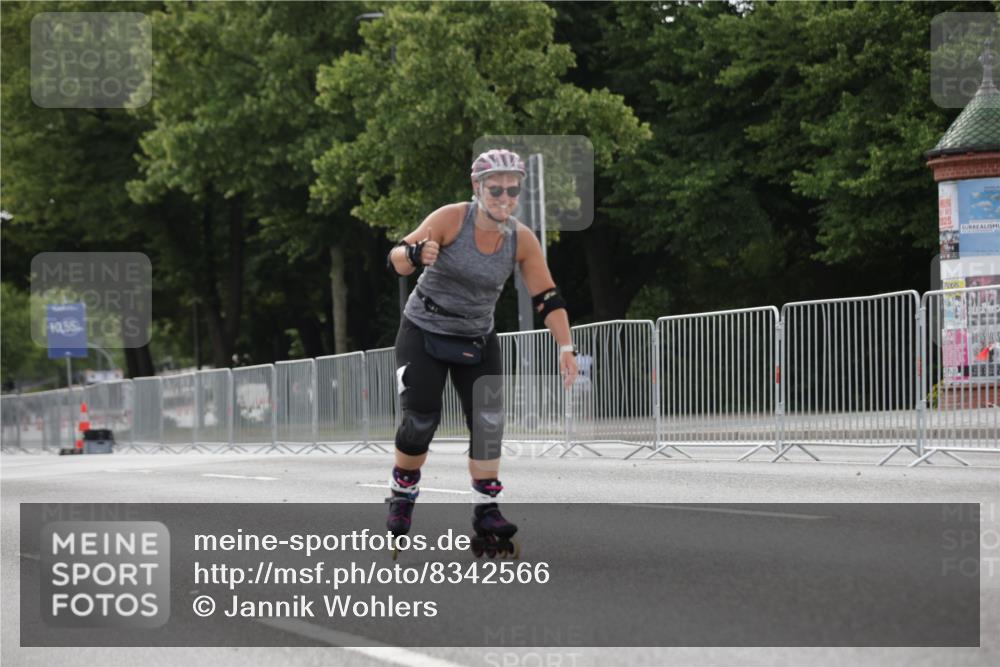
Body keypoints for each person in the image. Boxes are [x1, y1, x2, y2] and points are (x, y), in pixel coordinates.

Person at [385, 148, 578, 553]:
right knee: (420, 420)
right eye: (495, 190)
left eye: (512, 191)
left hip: (476, 336)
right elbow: (396, 259)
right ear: (477, 188)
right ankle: (403, 492)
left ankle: (486, 510)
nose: (504, 199)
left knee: (488, 426)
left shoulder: (520, 239)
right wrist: (417, 254)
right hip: (424, 330)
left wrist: (566, 346)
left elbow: (547, 297)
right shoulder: (451, 219)